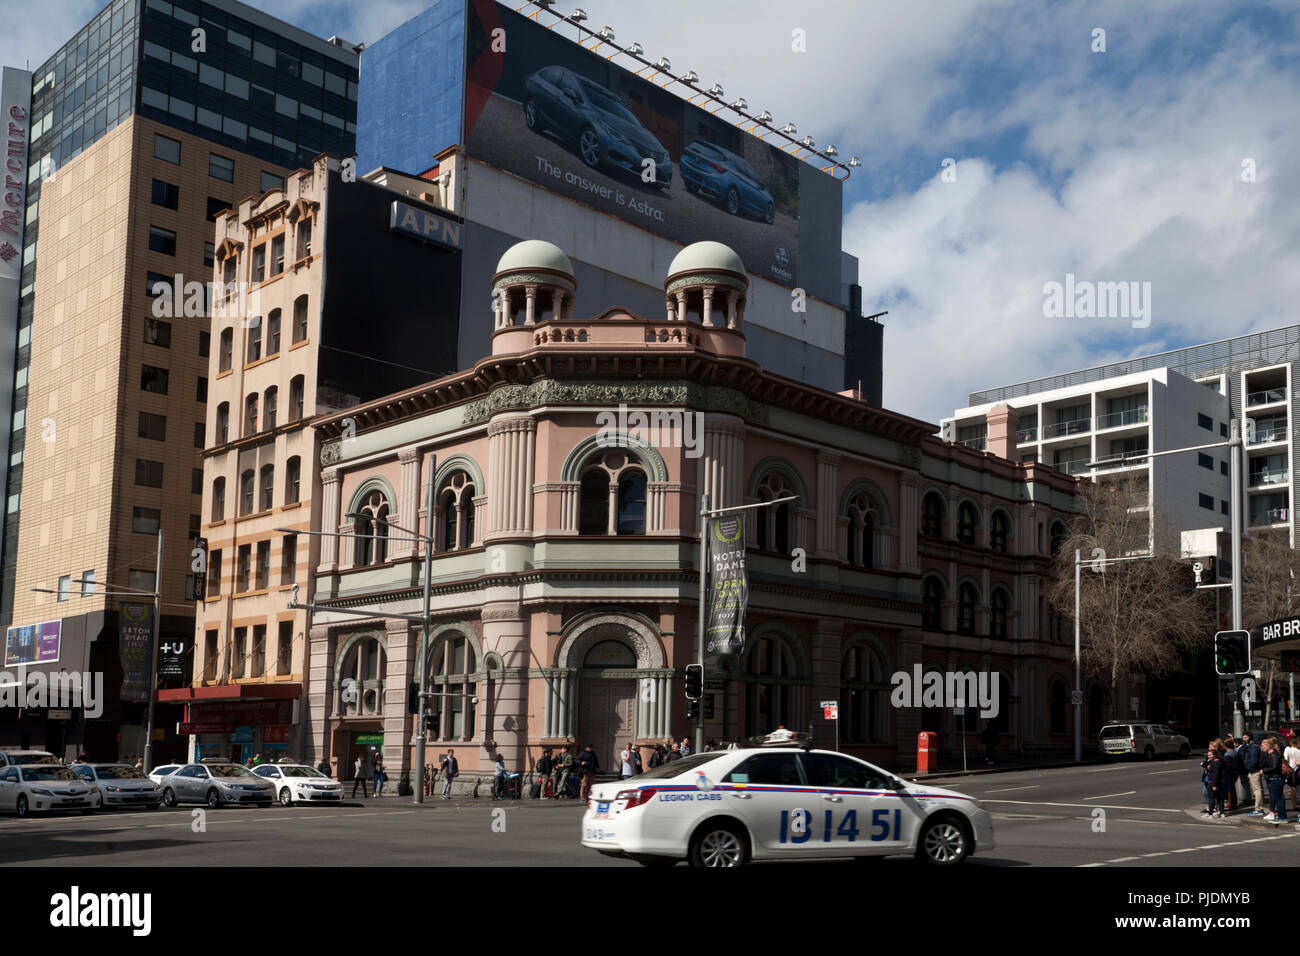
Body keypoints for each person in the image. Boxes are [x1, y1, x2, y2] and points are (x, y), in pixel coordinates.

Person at [1261, 737, 1287, 823]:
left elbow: (1275, 767)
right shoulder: (1269, 754)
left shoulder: (1274, 755)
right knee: (1277, 798)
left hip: (1276, 779)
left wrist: (1264, 771)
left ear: (1269, 746)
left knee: (1278, 799)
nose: (1262, 747)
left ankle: (1282, 817)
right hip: (1272, 778)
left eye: (1264, 746)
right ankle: (1281, 817)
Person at [1240, 733, 1265, 814]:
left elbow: (1253, 760)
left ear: (1250, 737)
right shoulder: (1250, 746)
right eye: (1243, 737)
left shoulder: (1254, 747)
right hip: (1253, 770)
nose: (1244, 739)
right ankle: (1259, 807)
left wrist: (1249, 768)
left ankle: (1258, 808)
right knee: (1257, 789)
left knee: (1257, 790)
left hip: (1254, 770)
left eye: (1246, 737)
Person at [1201, 745, 1225, 818]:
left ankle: (1210, 814)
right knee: (1220, 798)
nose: (1209, 756)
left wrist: (1214, 785)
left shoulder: (1215, 763)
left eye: (1211, 755)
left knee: (1212, 798)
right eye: (1208, 755)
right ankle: (1221, 813)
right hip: (1220, 783)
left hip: (1213, 783)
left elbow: (1215, 775)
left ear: (1215, 755)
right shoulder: (1219, 762)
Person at [1219, 736, 1241, 812]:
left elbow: (1228, 766)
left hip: (1231, 773)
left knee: (1230, 790)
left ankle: (1231, 804)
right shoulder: (1234, 751)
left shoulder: (1228, 754)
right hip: (1236, 772)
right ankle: (1234, 803)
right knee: (1232, 789)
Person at [1284, 736, 1300, 820]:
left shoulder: (1288, 749)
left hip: (1292, 770)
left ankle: (1294, 804)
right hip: (1298, 770)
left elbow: (1285, 759)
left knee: (1293, 788)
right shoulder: (1298, 750)